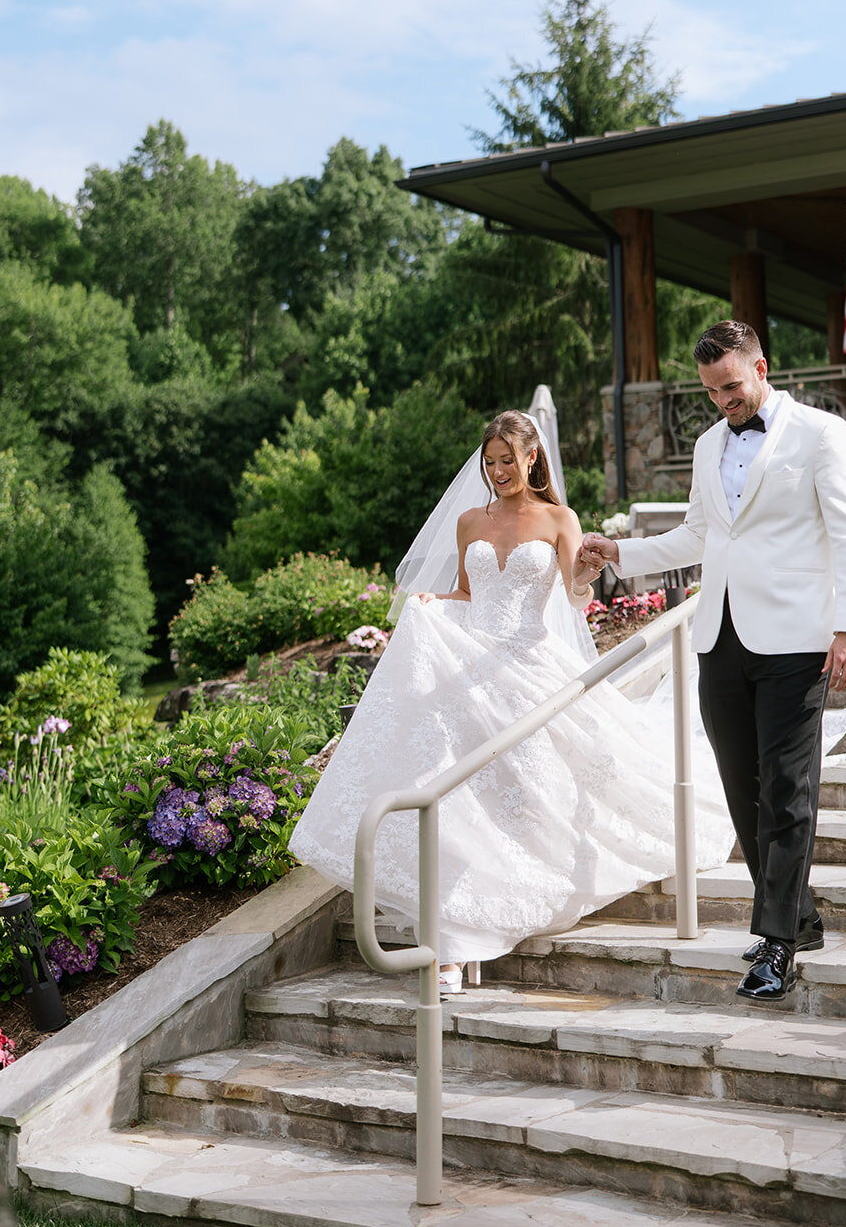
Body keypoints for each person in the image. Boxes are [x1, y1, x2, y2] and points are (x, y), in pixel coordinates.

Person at [290, 405, 736, 995]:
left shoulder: (559, 518)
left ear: (532, 456)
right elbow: (468, 594)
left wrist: (585, 571)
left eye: (508, 460)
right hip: (471, 663)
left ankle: (476, 924)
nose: (498, 471)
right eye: (490, 461)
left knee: (524, 792)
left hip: (530, 664)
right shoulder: (471, 521)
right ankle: (450, 940)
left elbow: (577, 598)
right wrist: (433, 603)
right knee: (450, 790)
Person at [579, 321, 846, 1001]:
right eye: (712, 392)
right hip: (720, 638)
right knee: (741, 787)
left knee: (787, 790)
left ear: (760, 368)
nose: (722, 402)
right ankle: (797, 917)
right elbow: (697, 534)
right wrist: (619, 552)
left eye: (731, 387)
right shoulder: (710, 443)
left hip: (799, 640)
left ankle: (775, 943)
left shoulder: (821, 434)